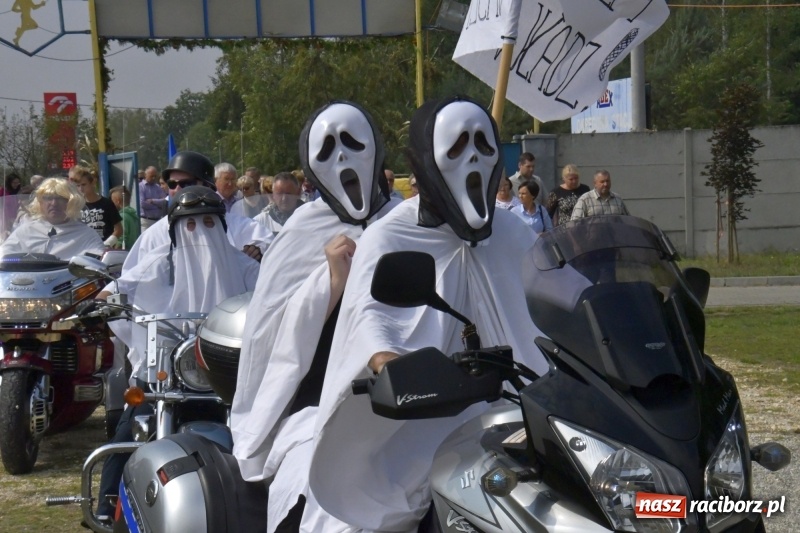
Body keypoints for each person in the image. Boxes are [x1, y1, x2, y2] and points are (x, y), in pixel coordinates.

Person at [306, 96, 549, 531]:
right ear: (425, 164)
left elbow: (556, 286)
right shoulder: (391, 235)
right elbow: (368, 312)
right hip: (428, 417)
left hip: (522, 407)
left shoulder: (511, 231)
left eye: (481, 143)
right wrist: (386, 357)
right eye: (456, 146)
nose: (472, 156)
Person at [232, 100, 397, 531]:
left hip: (411, 403)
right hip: (321, 406)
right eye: (326, 149)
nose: (341, 156)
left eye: (352, 142)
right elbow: (272, 332)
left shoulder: (408, 223)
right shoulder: (303, 230)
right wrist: (330, 283)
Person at [94, 186, 260, 520]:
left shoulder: (244, 266)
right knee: (132, 426)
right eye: (191, 224)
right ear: (174, 229)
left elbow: (269, 295)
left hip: (229, 372)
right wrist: (105, 303)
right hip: (165, 369)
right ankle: (107, 502)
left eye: (210, 222)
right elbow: (115, 290)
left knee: (265, 430)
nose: (201, 230)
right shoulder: (157, 265)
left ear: (223, 225)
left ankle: (268, 500)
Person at [119, 151, 271, 271]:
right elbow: (131, 278)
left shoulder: (237, 226)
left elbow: (269, 244)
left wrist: (258, 251)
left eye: (187, 183)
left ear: (207, 186)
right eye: (172, 184)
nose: (177, 189)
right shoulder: (154, 235)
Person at [0, 177, 103, 259]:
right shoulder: (26, 231)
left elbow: (99, 262)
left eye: (61, 198)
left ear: (71, 202)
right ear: (40, 202)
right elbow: (5, 255)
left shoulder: (86, 235)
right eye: (48, 198)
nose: (54, 203)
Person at [69, 166, 123, 247]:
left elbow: (119, 229)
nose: (81, 188)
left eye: (84, 185)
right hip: (84, 247)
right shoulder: (76, 205)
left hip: (104, 247)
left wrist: (107, 244)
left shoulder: (106, 203)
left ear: (92, 183)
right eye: (78, 185)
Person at [109, 185, 140, 250]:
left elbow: (121, 239)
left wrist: (115, 251)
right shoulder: (133, 215)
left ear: (117, 201)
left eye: (112, 201)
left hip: (122, 255)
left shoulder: (121, 217)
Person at [138, 165, 167, 230]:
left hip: (158, 220)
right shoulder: (140, 187)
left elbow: (165, 202)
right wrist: (158, 205)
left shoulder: (158, 187)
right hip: (146, 221)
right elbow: (143, 204)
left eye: (155, 176)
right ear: (145, 175)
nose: (154, 178)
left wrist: (153, 201)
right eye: (151, 176)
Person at [1, 173, 23, 238]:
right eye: (14, 182)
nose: (16, 184)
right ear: (9, 182)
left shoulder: (18, 191)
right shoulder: (2, 191)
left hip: (16, 218)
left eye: (18, 182)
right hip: (4, 218)